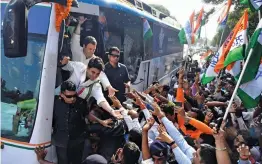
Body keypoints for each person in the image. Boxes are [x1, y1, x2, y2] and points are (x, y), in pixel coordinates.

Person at [71, 15, 117, 97]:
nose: (92, 52)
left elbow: (101, 74)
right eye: (90, 49)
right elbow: (76, 36)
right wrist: (79, 24)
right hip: (70, 86)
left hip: (82, 91)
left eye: (94, 49)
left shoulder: (94, 59)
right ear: (84, 46)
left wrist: (109, 86)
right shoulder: (76, 50)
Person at [52, 81, 87, 164]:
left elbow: (87, 115)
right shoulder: (54, 102)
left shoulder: (81, 103)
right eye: (69, 96)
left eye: (74, 95)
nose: (72, 99)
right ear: (61, 94)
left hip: (77, 141)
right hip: (60, 141)